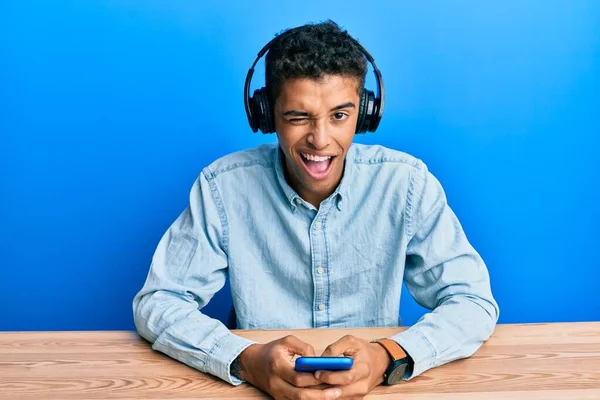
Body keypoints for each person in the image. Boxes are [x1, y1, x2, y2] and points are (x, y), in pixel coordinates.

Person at [133, 20, 499, 400]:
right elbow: (159, 302)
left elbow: (471, 301)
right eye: (297, 117)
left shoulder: (407, 185)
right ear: (265, 114)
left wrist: (388, 357)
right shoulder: (223, 188)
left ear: (366, 112)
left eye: (340, 116)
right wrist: (247, 360)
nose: (320, 140)